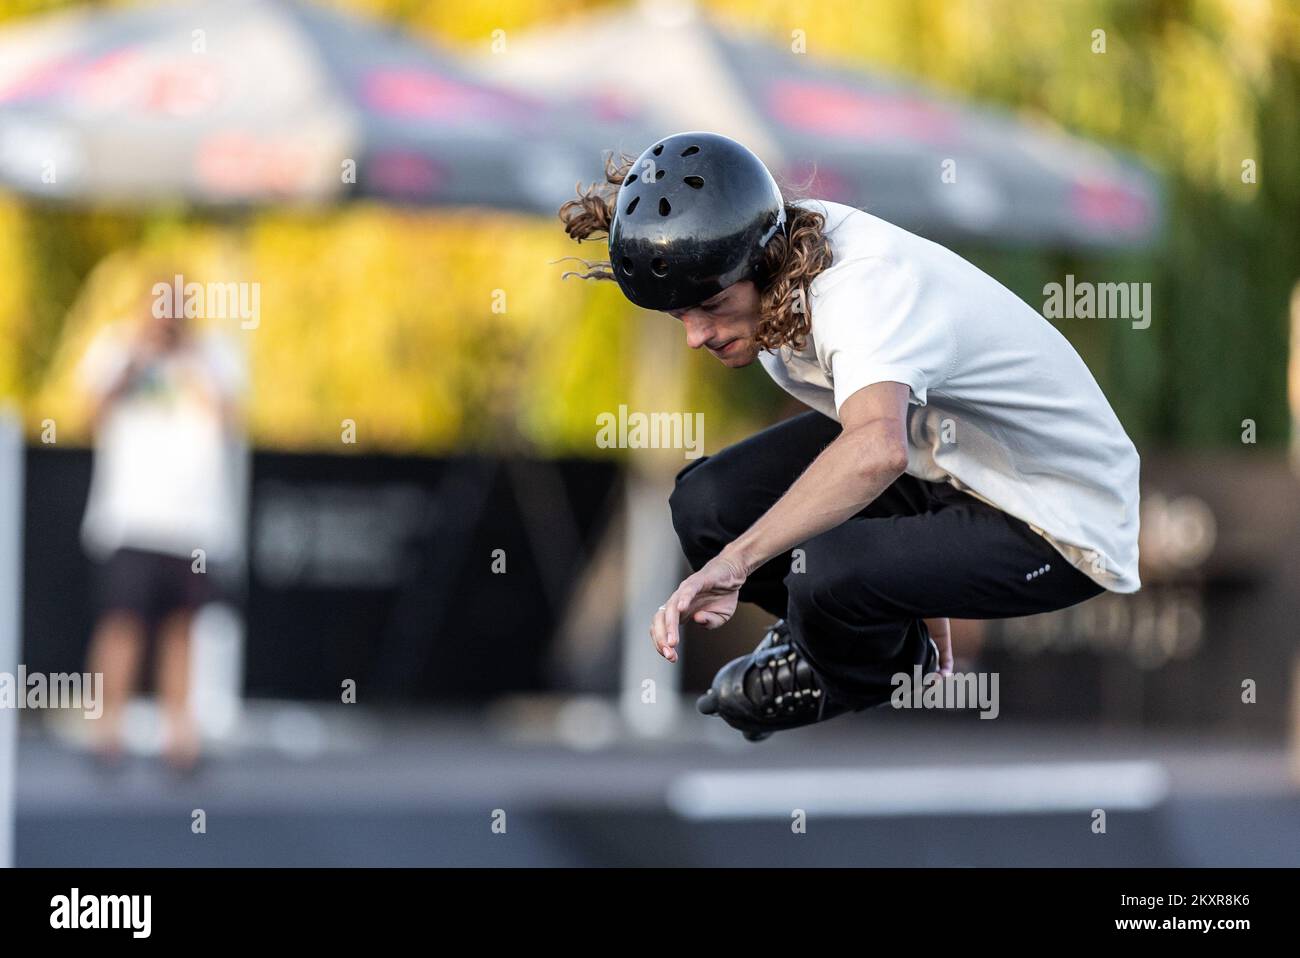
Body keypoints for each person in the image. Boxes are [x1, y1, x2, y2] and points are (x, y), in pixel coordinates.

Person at [557, 131, 1141, 742]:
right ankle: (858, 644)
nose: (698, 336)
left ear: (761, 260)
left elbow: (877, 449)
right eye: (681, 315)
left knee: (824, 570)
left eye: (712, 305)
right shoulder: (776, 274)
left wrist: (737, 564)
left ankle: (858, 668)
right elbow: (897, 441)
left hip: (1056, 519)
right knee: (707, 506)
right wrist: (913, 592)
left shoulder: (860, 288)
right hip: (948, 465)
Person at [79, 277, 244, 769]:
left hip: (192, 524)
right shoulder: (116, 348)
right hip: (131, 518)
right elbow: (86, 415)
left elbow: (230, 416)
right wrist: (136, 359)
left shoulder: (214, 354)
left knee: (182, 628)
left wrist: (190, 359)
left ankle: (180, 739)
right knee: (121, 624)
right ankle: (106, 733)